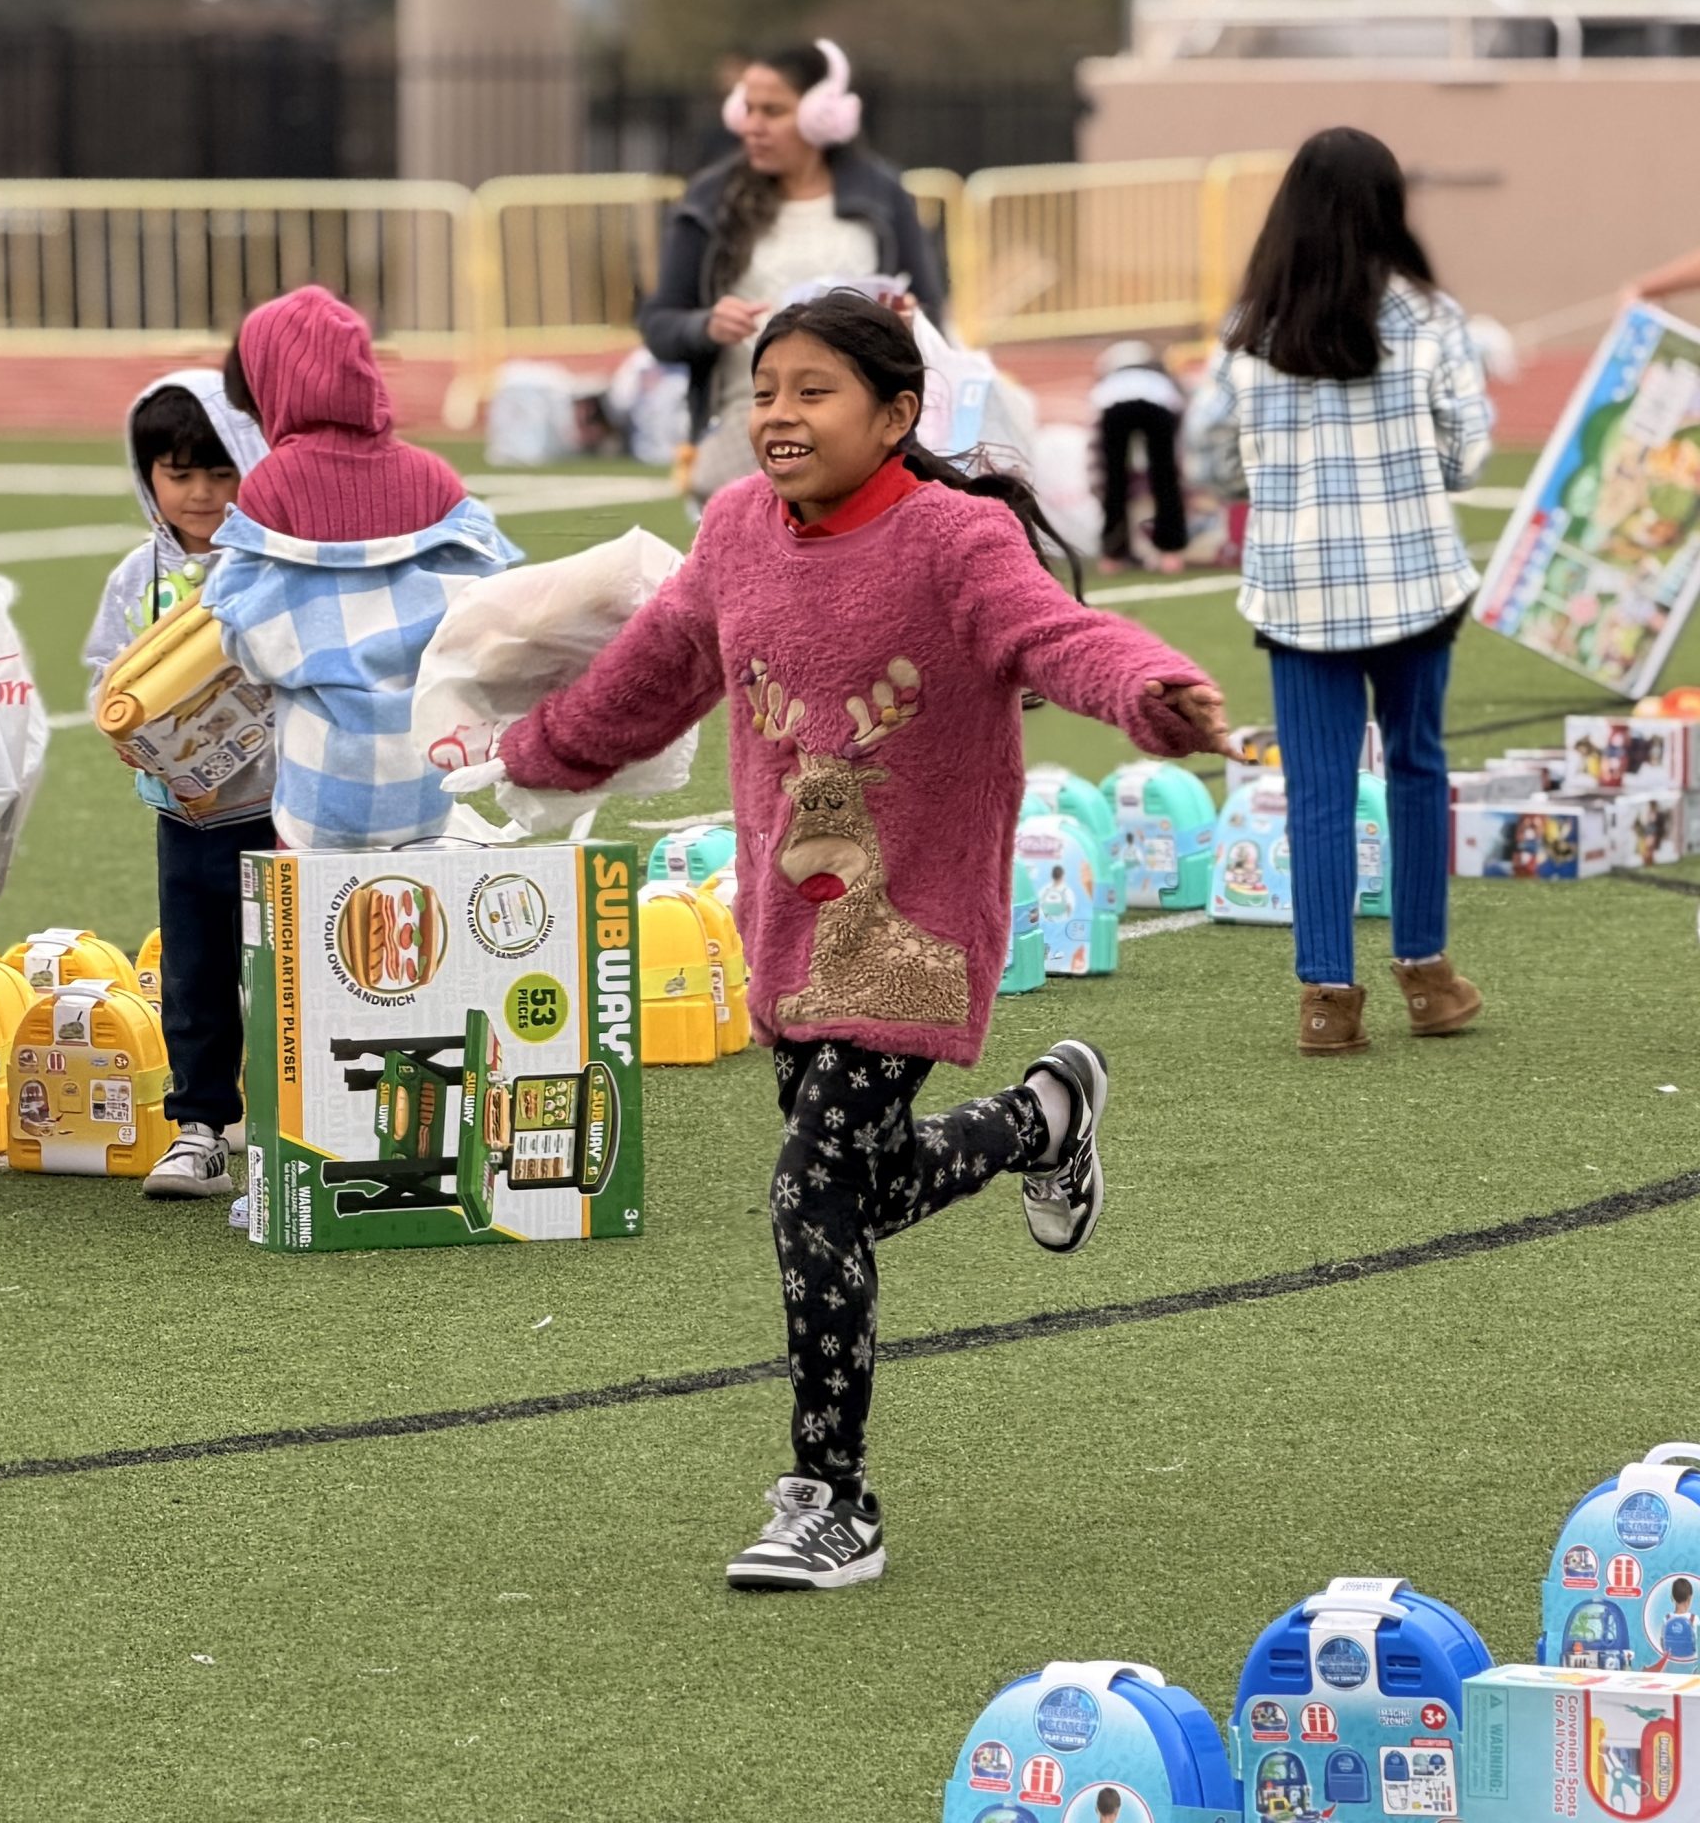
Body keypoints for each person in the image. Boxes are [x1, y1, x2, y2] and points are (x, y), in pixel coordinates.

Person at [455, 291, 1230, 1590]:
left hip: (913, 922)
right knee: (858, 1187)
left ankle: (832, 1497)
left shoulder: (959, 541)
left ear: (897, 413)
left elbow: (1061, 638)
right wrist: (529, 751)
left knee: (808, 1196)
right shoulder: (736, 533)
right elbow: (653, 671)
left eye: (814, 391)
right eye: (767, 391)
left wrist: (1150, 691)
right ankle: (1041, 1121)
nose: (779, 415)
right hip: (784, 928)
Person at [1193, 127, 1494, 1058]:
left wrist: (1274, 485)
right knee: (1417, 767)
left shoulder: (1250, 327)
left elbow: (1212, 456)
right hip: (1414, 583)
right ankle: (1428, 977)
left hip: (1296, 595)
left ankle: (1327, 999)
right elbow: (1466, 451)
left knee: (1318, 791)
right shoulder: (1431, 318)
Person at [202, 285, 518, 853]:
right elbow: (488, 606)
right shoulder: (434, 478)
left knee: (319, 928)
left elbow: (250, 636)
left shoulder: (273, 486)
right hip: (428, 772)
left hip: (320, 786)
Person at [81, 368, 272, 1200]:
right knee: (194, 976)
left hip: (274, 810)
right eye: (178, 473)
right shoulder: (137, 575)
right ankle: (198, 1127)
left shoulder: (271, 564)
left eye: (219, 471)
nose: (199, 493)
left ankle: (279, 1126)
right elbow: (104, 671)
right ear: (147, 476)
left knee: (277, 973)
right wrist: (121, 727)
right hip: (185, 816)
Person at [638, 39, 945, 502]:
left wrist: (906, 322)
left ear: (822, 114)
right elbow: (659, 323)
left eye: (772, 111)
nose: (752, 126)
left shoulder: (883, 194)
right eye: (747, 109)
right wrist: (706, 325)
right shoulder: (710, 200)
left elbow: (931, 311)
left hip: (863, 423)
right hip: (752, 417)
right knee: (737, 523)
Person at [1089, 340, 1189, 573]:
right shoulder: (1159, 377)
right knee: (1165, 478)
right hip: (1158, 405)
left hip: (1113, 406)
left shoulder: (1110, 381)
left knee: (1114, 481)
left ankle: (1112, 555)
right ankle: (1170, 553)